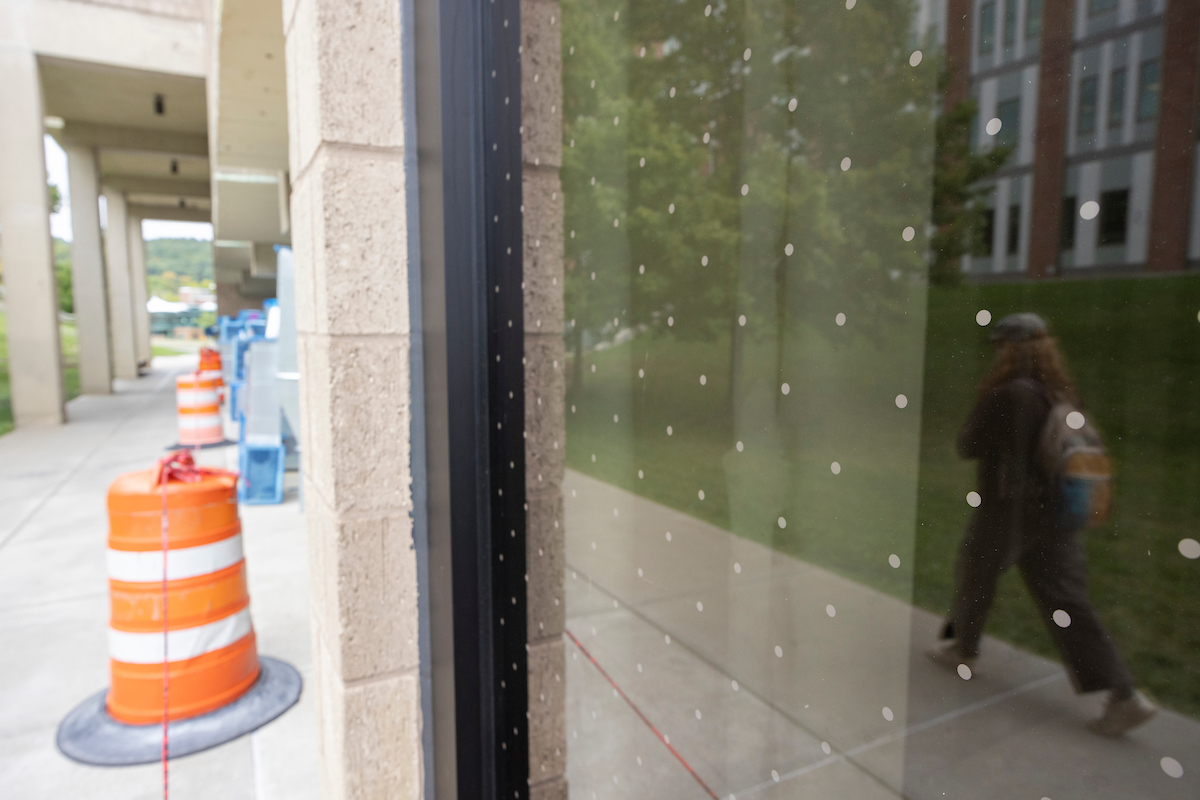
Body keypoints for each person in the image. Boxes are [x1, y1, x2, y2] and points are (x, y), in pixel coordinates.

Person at [928, 312, 1157, 736]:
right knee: (1068, 603)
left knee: (975, 572)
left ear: (1011, 350)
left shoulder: (1008, 395)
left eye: (1000, 347)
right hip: (1059, 511)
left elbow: (967, 444)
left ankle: (963, 649)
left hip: (1008, 510)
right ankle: (1125, 696)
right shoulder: (1062, 393)